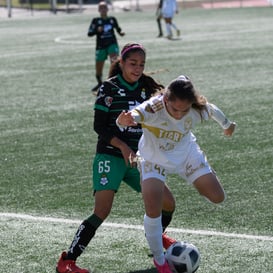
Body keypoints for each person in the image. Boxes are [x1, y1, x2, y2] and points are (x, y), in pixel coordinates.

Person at [56, 43, 176, 273]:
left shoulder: (145, 88)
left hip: (136, 158)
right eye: (133, 63)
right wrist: (122, 147)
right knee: (102, 210)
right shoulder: (108, 88)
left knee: (168, 203)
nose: (138, 68)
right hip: (110, 156)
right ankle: (67, 261)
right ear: (121, 63)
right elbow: (99, 126)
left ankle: (157, 241)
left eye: (141, 64)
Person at [116, 75, 236, 273]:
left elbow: (212, 110)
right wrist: (124, 120)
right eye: (174, 110)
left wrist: (227, 125)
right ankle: (160, 261)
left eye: (184, 110)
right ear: (165, 101)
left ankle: (202, 169)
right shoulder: (153, 108)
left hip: (187, 155)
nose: (179, 115)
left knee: (218, 197)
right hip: (153, 161)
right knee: (153, 210)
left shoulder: (196, 108)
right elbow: (134, 115)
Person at [87, 1, 125, 93]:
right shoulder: (95, 21)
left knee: (115, 62)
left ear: (107, 9)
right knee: (98, 68)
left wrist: (121, 33)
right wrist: (97, 30)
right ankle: (100, 83)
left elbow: (118, 29)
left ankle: (116, 83)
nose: (103, 9)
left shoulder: (112, 19)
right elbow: (89, 33)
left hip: (112, 43)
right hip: (100, 46)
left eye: (105, 7)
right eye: (101, 8)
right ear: (99, 10)